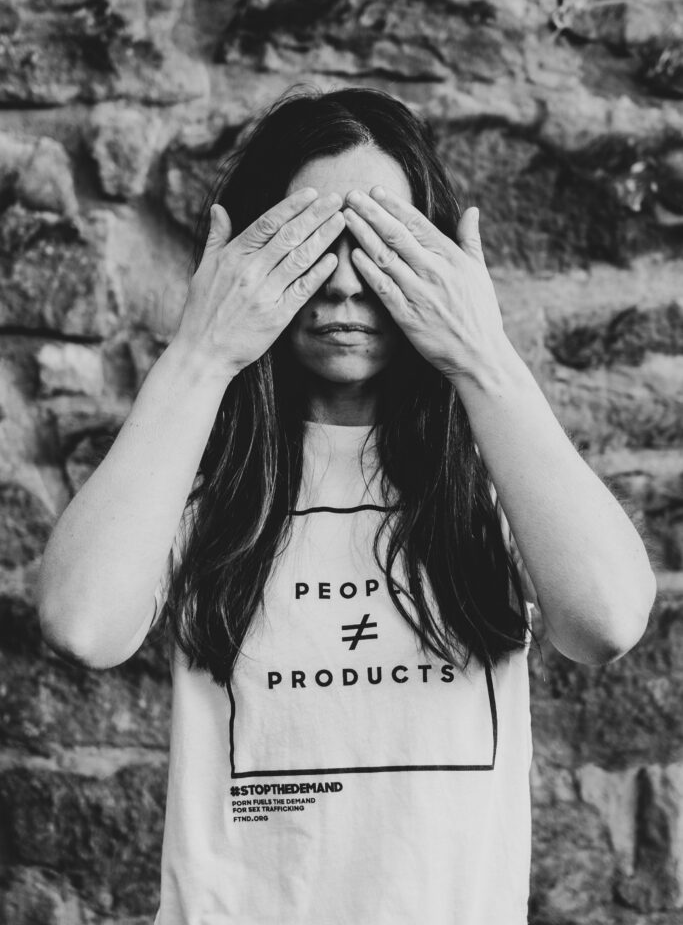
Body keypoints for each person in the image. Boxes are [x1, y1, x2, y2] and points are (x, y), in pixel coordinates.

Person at [37, 86, 656, 925]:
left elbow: (607, 621)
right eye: (307, 242)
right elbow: (80, 624)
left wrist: (481, 354)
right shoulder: (191, 472)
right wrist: (200, 352)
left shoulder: (497, 471)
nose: (341, 284)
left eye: (377, 242)